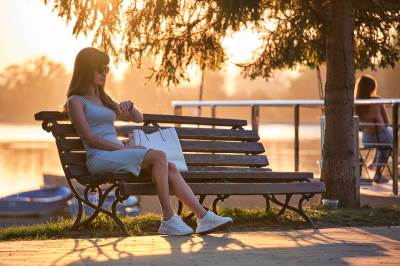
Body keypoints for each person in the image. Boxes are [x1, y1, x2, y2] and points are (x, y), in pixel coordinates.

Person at [65, 47, 232, 235]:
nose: (105, 73)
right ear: (87, 69)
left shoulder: (104, 99)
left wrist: (130, 106)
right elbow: (90, 138)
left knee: (170, 167)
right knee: (159, 156)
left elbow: (137, 118)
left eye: (107, 69)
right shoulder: (76, 101)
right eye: (101, 69)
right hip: (99, 158)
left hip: (116, 153)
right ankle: (169, 219)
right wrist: (122, 148)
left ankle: (204, 218)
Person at [355, 74, 393, 184]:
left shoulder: (356, 104)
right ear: (372, 88)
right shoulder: (377, 101)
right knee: (391, 141)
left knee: (383, 143)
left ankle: (375, 160)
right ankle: (378, 173)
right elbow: (386, 122)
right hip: (382, 137)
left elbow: (357, 126)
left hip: (366, 140)